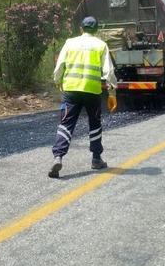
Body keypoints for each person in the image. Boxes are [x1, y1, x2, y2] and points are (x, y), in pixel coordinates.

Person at [48, 16, 117, 178]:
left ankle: (58, 156)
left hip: (71, 90)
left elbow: (60, 65)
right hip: (92, 91)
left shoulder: (70, 43)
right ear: (96, 30)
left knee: (66, 124)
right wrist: (112, 92)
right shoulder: (101, 45)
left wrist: (58, 81)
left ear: (81, 28)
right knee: (95, 124)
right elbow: (109, 71)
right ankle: (96, 159)